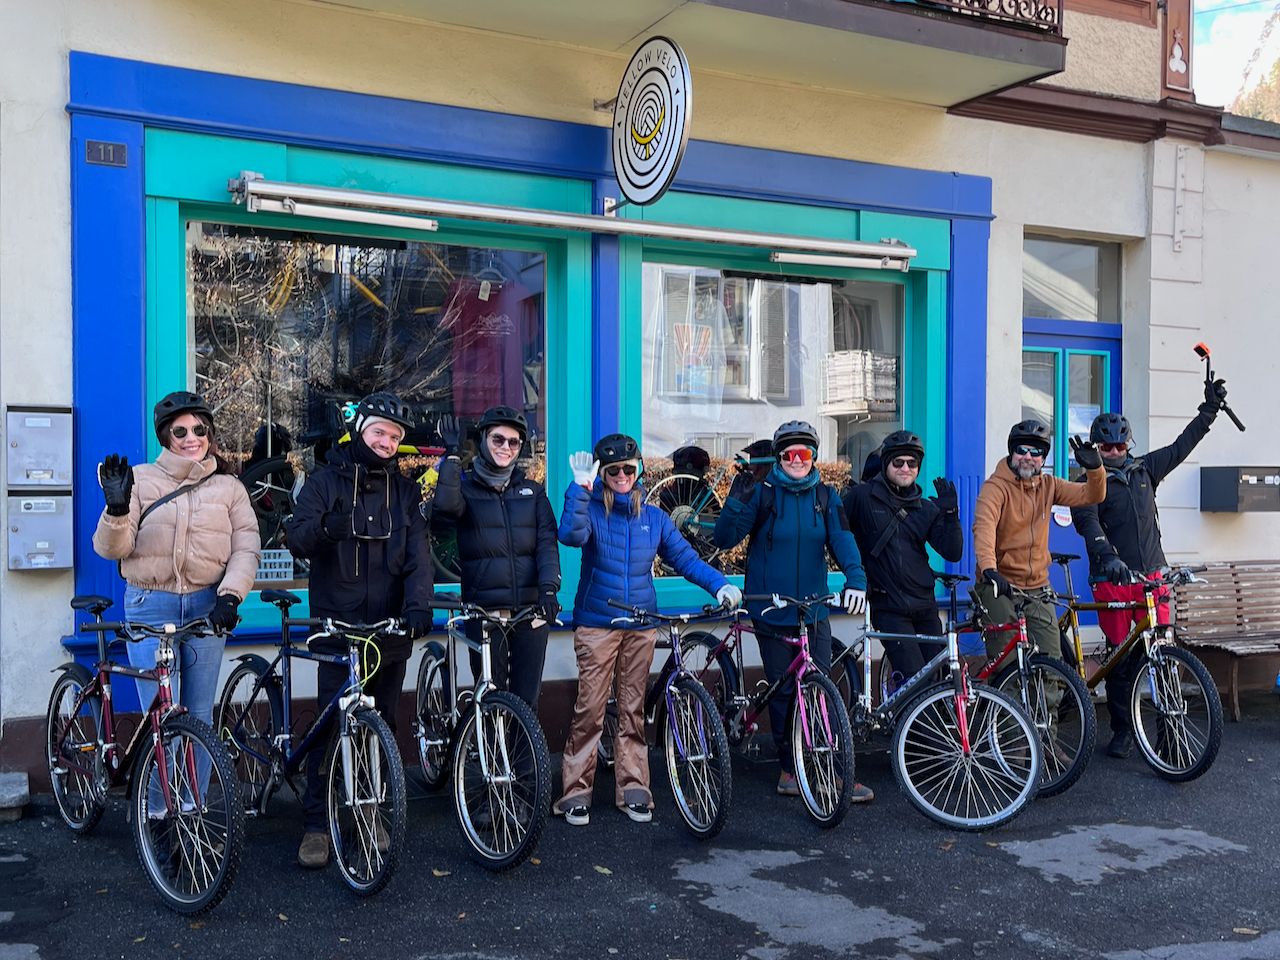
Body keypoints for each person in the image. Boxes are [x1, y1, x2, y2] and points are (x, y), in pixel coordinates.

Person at [555, 433, 741, 827]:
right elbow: (570, 536)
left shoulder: (654, 518)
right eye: (613, 471)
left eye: (629, 468)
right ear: (603, 475)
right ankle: (575, 792)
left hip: (641, 625)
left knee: (632, 709)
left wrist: (720, 584)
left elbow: (686, 559)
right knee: (589, 710)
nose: (622, 475)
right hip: (598, 624)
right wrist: (579, 487)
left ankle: (634, 787)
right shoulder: (589, 508)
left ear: (639, 470)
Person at [286, 391, 434, 869]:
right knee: (332, 726)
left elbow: (418, 560)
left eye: (395, 437)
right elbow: (296, 539)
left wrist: (418, 609)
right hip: (338, 627)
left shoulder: (407, 493)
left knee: (383, 726)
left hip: (389, 629)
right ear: (359, 430)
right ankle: (315, 823)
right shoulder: (325, 481)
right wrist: (329, 526)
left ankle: (369, 815)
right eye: (379, 433)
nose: (387, 442)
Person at [712, 420, 872, 802]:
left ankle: (832, 770)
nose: (797, 460)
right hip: (770, 608)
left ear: (814, 456)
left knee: (820, 692)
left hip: (812, 609)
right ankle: (789, 768)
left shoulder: (826, 496)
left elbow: (843, 541)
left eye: (805, 453)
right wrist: (737, 502)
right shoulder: (764, 494)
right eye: (789, 455)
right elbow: (723, 539)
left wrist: (856, 579)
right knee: (785, 694)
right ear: (779, 458)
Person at [1071, 377, 1230, 758]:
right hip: (1113, 581)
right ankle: (1124, 730)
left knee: (1162, 656)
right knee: (1122, 659)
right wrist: (1107, 558)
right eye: (1106, 446)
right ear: (1096, 446)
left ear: (1129, 444)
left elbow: (1181, 447)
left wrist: (1208, 411)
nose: (1113, 451)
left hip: (1153, 577)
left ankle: (1169, 734)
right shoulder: (1088, 482)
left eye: (1119, 445)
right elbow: (1088, 523)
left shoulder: (1145, 470)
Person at [93, 391, 261, 744]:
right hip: (150, 607)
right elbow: (112, 550)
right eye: (180, 432)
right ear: (165, 437)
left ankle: (193, 802)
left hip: (207, 606)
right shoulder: (139, 478)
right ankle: (155, 802)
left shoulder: (229, 487)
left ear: (210, 436)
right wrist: (117, 510)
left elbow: (246, 548)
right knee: (160, 719)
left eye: (199, 430)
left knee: (200, 719)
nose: (192, 439)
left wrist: (230, 596)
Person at [431, 406, 561, 708]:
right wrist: (452, 455)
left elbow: (546, 545)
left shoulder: (533, 492)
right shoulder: (465, 490)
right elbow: (443, 514)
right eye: (498, 440)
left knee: (527, 703)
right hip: (485, 612)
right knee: (491, 698)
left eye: (513, 442)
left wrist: (549, 589)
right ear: (484, 441)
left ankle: (525, 758)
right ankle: (487, 754)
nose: (506, 447)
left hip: (530, 612)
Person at [973, 419, 1106, 666]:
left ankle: (1046, 706)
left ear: (1044, 459)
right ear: (1011, 452)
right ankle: (1004, 702)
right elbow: (984, 527)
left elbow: (1093, 495)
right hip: (998, 583)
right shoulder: (995, 488)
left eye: (1036, 453)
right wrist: (990, 569)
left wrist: (1095, 468)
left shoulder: (1049, 485)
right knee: (1008, 661)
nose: (1028, 457)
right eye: (1022, 450)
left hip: (1037, 586)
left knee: (1052, 661)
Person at [843, 430, 963, 683]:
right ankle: (908, 723)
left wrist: (951, 514)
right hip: (889, 607)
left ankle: (922, 722)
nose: (905, 468)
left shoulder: (926, 507)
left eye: (912, 463)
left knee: (939, 678)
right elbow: (838, 537)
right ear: (886, 464)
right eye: (898, 462)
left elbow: (953, 552)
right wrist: (853, 577)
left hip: (925, 605)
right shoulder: (863, 498)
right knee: (916, 680)